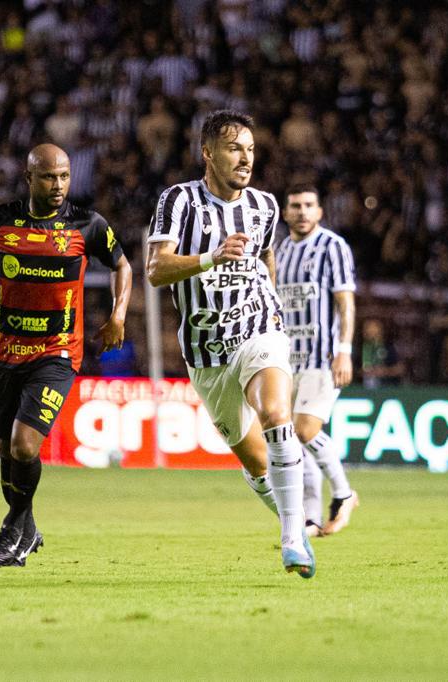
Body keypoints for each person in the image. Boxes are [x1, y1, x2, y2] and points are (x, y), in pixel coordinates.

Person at [0, 143, 132, 566]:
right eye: (48, 177)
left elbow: (122, 265)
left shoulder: (87, 224)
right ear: (29, 178)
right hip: (8, 351)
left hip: (57, 353)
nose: (58, 185)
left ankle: (14, 527)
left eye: (64, 176)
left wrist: (118, 315)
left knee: (25, 446)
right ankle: (26, 529)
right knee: (7, 451)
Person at [146, 110, 314, 578]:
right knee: (258, 463)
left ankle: (291, 539)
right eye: (234, 148)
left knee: (276, 415)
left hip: (258, 329)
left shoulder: (264, 206)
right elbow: (156, 270)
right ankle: (295, 520)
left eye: (251, 149)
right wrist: (211, 257)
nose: (246, 158)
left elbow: (266, 256)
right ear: (208, 153)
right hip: (206, 353)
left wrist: (273, 306)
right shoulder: (179, 201)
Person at [275, 185, 359, 537]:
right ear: (285, 212)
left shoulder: (332, 246)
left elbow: (345, 303)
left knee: (304, 430)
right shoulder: (280, 250)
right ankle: (309, 518)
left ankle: (344, 494)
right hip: (286, 360)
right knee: (292, 441)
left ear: (320, 211)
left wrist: (345, 350)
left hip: (322, 356)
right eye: (295, 206)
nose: (302, 212)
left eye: (309, 205)